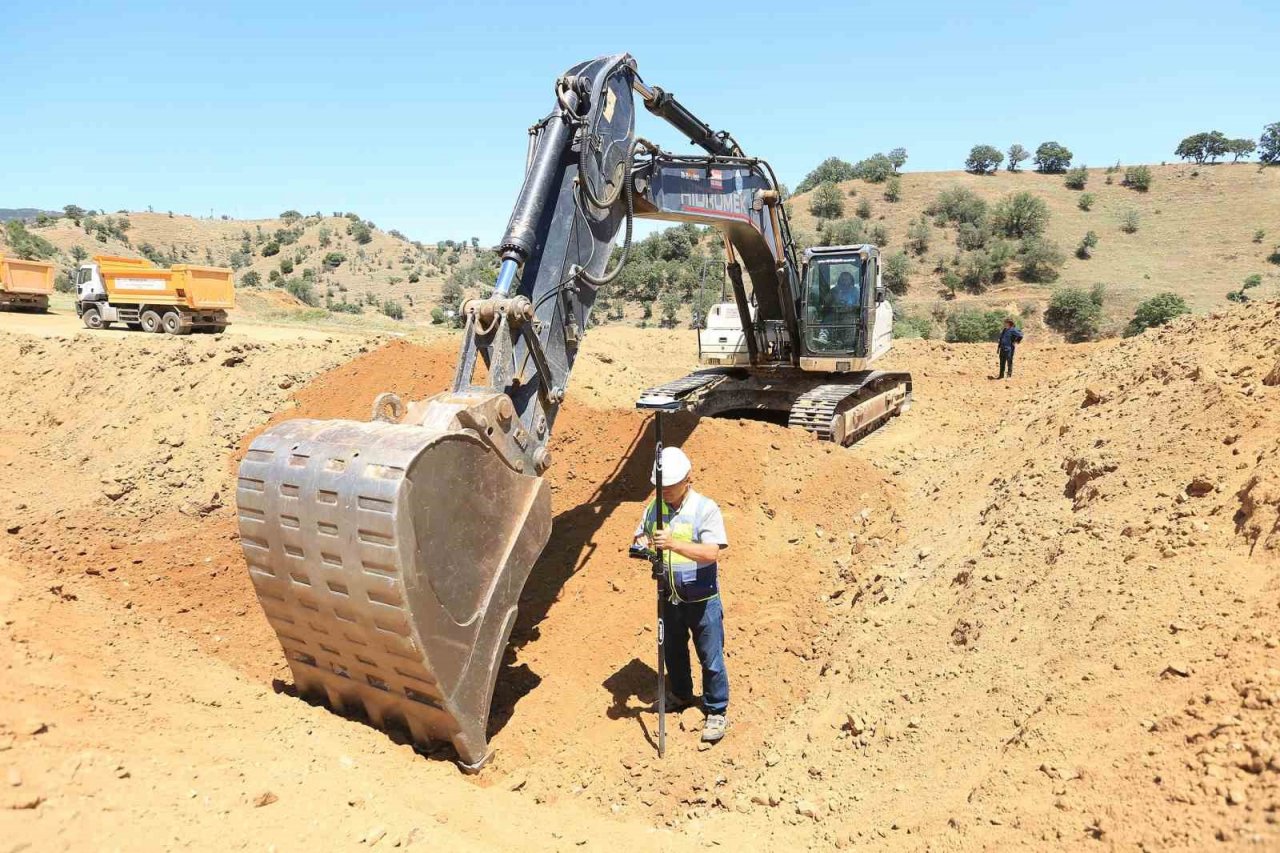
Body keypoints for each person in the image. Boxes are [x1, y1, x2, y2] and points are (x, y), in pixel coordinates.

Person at [633, 446, 730, 743]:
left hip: (702, 599)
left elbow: (711, 552)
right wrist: (643, 543)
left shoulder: (705, 509)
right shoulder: (654, 508)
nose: (664, 492)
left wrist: (673, 543)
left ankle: (716, 710)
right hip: (669, 596)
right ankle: (681, 694)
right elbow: (640, 537)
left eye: (670, 486)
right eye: (660, 486)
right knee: (673, 653)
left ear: (688, 479)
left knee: (710, 657)